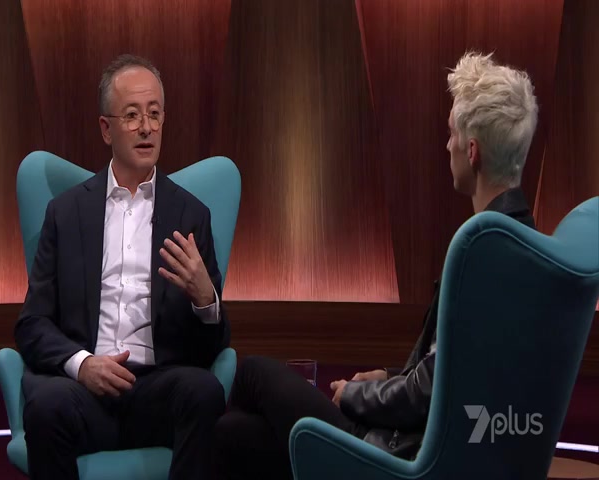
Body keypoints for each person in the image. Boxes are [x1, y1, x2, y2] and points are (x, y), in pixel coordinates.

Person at [212, 51, 539, 479]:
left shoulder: (482, 251)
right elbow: (451, 373)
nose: (448, 146)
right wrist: (387, 377)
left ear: (472, 151)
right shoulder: (519, 240)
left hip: (406, 453)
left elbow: (429, 394)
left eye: (451, 135)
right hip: (419, 436)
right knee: (234, 433)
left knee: (252, 374)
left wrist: (355, 395)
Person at [14, 54, 230, 480]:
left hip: (157, 389)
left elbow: (211, 348)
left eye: (154, 114)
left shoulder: (191, 215)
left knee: (204, 392)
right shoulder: (66, 213)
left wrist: (207, 301)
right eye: (132, 115)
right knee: (45, 407)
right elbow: (32, 323)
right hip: (83, 390)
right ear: (105, 128)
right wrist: (82, 364)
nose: (146, 127)